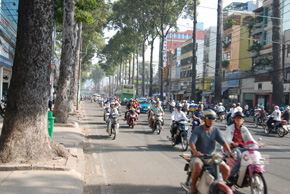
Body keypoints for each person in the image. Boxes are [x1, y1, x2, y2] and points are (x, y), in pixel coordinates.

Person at [188, 109, 235, 194]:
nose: (211, 120)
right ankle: (193, 187)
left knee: (226, 169)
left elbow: (223, 142)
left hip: (212, 156)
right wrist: (195, 152)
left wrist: (230, 152)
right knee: (198, 165)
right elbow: (191, 143)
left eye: (213, 118)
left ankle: (218, 186)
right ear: (203, 119)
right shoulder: (198, 130)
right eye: (209, 118)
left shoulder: (216, 130)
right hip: (199, 156)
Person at [225, 112, 261, 181]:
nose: (239, 120)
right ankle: (231, 175)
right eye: (237, 118)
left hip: (244, 147)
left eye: (241, 118)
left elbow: (250, 138)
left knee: (254, 157)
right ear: (234, 120)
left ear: (243, 120)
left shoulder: (244, 129)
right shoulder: (230, 128)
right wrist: (233, 143)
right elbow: (227, 139)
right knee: (240, 158)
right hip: (234, 148)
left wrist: (257, 144)